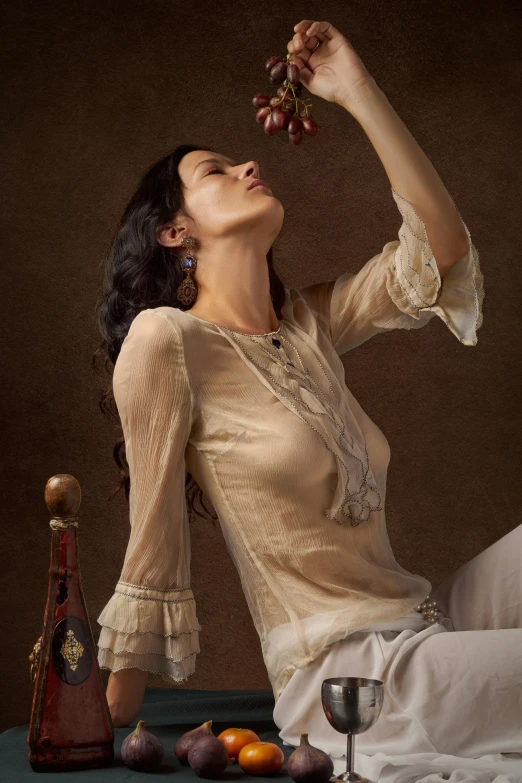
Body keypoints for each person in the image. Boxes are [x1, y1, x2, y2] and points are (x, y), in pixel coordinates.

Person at [92, 20, 519, 768]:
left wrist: (355, 88)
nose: (249, 163)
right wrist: (110, 708)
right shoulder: (168, 341)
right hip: (352, 679)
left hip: (425, 619)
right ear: (173, 232)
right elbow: (153, 534)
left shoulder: (308, 324)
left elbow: (441, 249)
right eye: (216, 171)